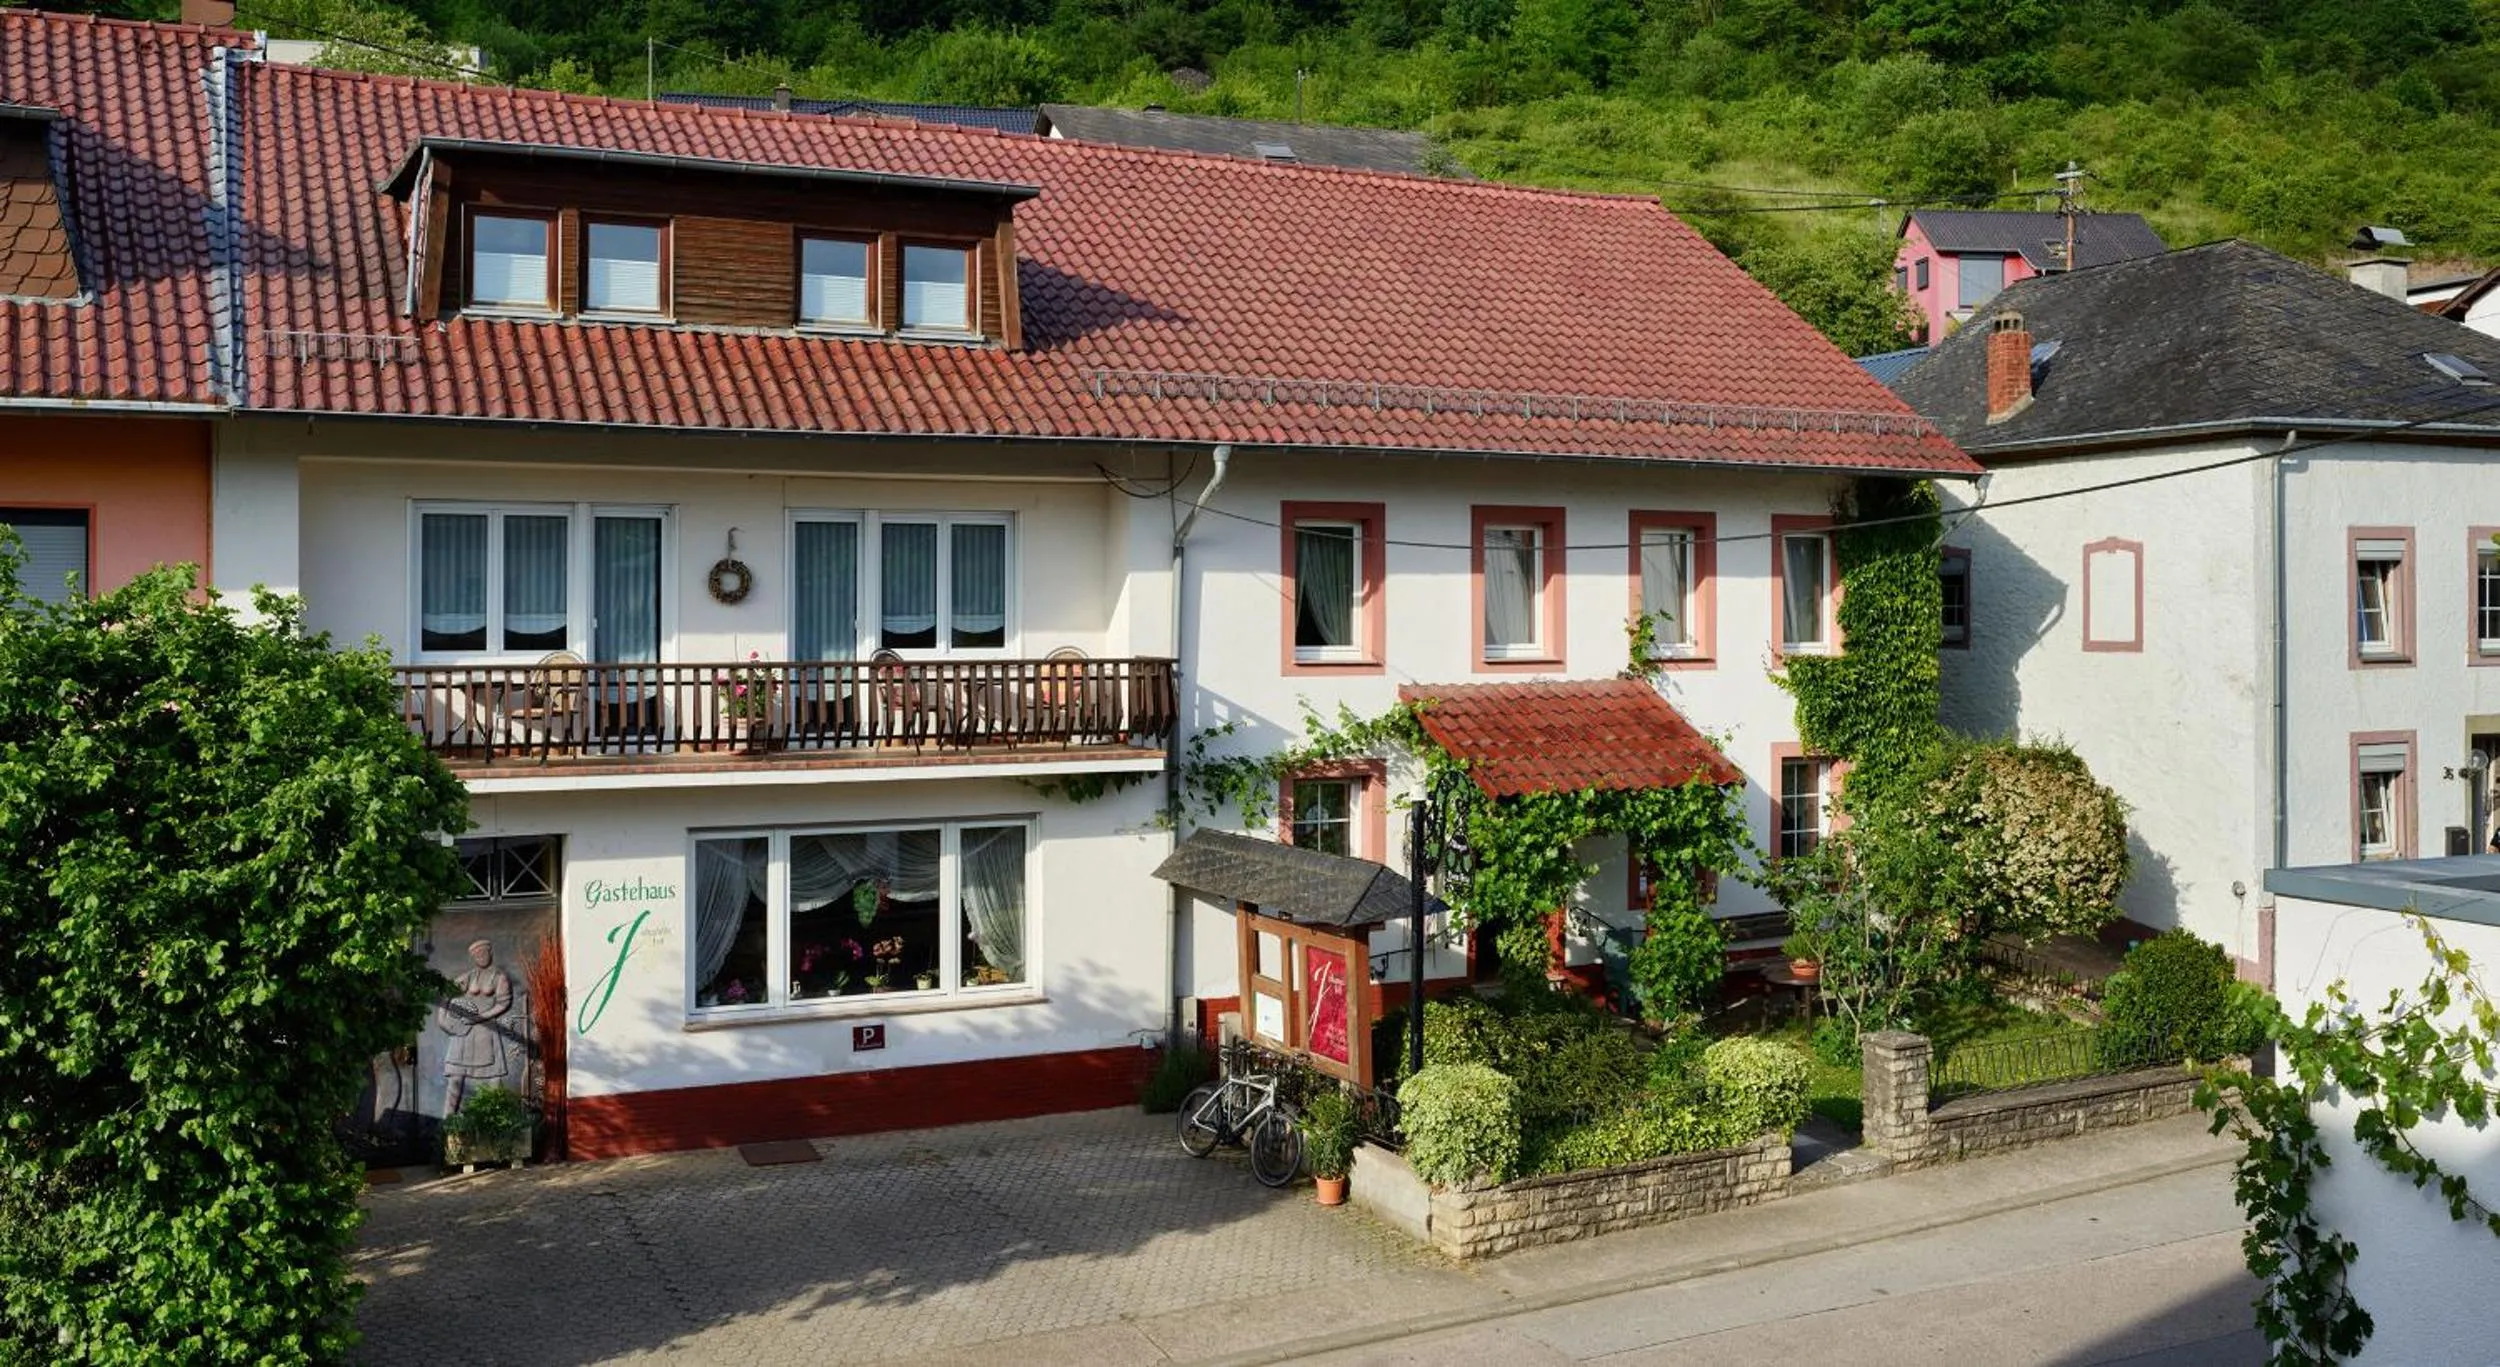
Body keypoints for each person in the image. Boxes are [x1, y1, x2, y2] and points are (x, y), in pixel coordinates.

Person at [436, 938, 513, 1116]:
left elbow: (503, 1004)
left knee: (494, 1080)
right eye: (476, 955)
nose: (481, 957)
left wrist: (479, 1018)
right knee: (455, 1079)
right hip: (462, 1034)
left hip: (486, 1032)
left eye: (483, 953)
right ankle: (448, 1121)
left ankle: (496, 1121)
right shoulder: (468, 977)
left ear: (490, 953)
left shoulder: (500, 978)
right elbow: (445, 995)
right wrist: (443, 1020)